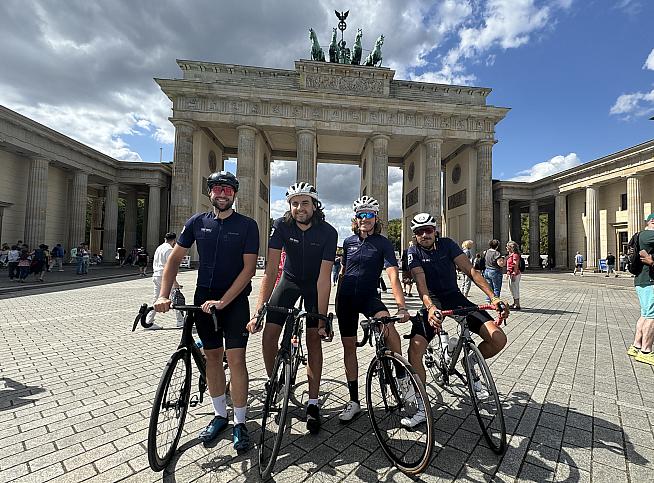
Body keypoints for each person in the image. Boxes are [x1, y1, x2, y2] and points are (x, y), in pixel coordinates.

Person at [154, 171, 258, 451]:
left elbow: (249, 269)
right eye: (217, 189)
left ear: (234, 194)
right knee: (212, 359)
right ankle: (219, 415)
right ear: (210, 192)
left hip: (234, 302)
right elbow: (174, 260)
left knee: (236, 360)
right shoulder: (197, 222)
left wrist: (224, 301)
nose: (222, 194)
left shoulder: (247, 225)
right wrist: (164, 295)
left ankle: (240, 421)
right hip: (203, 301)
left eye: (227, 190)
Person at [246, 181, 337, 434]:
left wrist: (321, 320)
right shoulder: (282, 226)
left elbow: (324, 277)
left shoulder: (329, 232)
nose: (299, 208)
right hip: (289, 281)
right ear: (290, 206)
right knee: (268, 336)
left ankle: (313, 402)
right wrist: (259, 310)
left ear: (314, 206)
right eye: (295, 203)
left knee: (313, 340)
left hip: (313, 286)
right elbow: (271, 270)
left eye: (305, 203)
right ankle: (276, 382)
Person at [405, 212, 509, 427]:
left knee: (498, 338)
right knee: (415, 348)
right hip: (432, 301)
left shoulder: (448, 244)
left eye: (428, 230)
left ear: (435, 230)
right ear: (414, 235)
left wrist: (494, 297)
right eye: (419, 232)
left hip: (455, 297)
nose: (425, 235)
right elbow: (420, 281)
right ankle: (422, 404)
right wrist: (431, 307)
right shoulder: (412, 251)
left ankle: (468, 361)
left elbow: (470, 270)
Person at [336, 196, 409, 422]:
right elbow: (343, 271)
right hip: (346, 298)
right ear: (355, 218)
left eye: (369, 214)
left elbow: (393, 274)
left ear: (376, 218)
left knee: (389, 329)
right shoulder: (348, 242)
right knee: (349, 347)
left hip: (369, 297)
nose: (365, 219)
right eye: (361, 215)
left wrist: (401, 306)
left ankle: (401, 377)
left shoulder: (383, 243)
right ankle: (354, 401)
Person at [627, 214, 654, 365]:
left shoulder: (639, 236)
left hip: (641, 280)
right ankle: (646, 351)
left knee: (645, 314)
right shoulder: (649, 235)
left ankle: (636, 346)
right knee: (652, 316)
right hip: (651, 280)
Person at [145, 233, 185, 330]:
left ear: (165, 238)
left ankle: (149, 321)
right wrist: (175, 282)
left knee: (156, 299)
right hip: (164, 276)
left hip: (156, 274)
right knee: (175, 298)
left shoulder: (159, 248)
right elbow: (170, 266)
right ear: (174, 240)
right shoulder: (170, 249)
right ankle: (180, 321)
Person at [506, 241, 522, 310]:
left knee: (515, 288)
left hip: (515, 274)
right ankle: (515, 302)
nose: (506, 248)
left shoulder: (515, 255)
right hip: (511, 273)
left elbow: (516, 265)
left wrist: (514, 274)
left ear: (511, 248)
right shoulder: (511, 254)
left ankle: (517, 304)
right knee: (512, 288)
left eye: (507, 246)